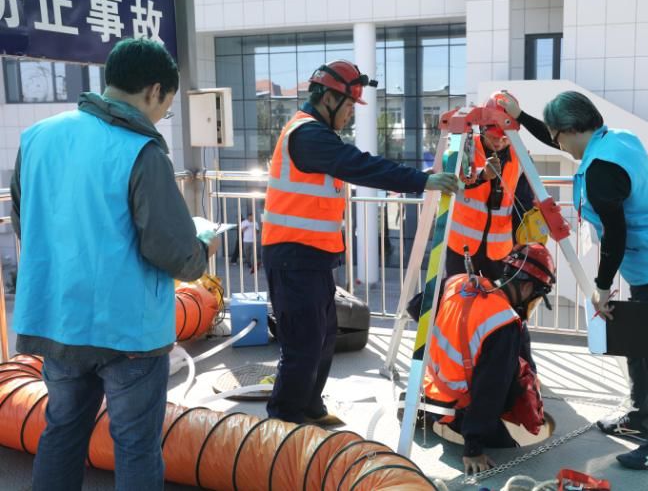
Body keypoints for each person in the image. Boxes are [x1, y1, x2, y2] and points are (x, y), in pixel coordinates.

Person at [10, 38, 217, 490]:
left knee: (62, 431)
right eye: (168, 104)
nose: (164, 114)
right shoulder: (141, 150)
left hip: (58, 320)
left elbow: (28, 221)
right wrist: (203, 245)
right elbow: (176, 255)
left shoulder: (38, 137)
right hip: (127, 332)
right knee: (135, 445)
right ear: (155, 91)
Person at [261, 59, 458, 425]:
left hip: (311, 258)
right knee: (302, 345)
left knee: (323, 338)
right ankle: (283, 424)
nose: (351, 114)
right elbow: (362, 165)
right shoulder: (308, 136)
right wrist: (423, 180)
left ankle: (309, 407)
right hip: (292, 257)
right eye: (350, 105)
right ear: (329, 99)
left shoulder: (318, 136)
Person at [531, 91, 648, 470]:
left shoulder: (601, 171)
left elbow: (616, 235)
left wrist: (601, 288)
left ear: (572, 130)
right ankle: (641, 415)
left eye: (557, 137)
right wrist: (518, 116)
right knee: (639, 345)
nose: (556, 144)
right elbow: (551, 134)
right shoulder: (616, 139)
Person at [423, 243, 556, 475]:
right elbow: (490, 389)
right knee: (513, 456)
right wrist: (473, 448)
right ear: (525, 288)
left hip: (430, 390)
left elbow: (418, 307)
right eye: (535, 297)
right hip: (459, 409)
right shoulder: (503, 323)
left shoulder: (457, 283)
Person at [446, 91, 535, 282]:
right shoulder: (464, 147)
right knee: (457, 298)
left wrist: (523, 240)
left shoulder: (522, 157)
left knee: (496, 303)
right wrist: (482, 176)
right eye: (494, 136)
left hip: (499, 251)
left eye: (504, 138)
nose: (498, 141)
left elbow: (524, 203)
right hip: (461, 246)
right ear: (482, 128)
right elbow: (452, 181)